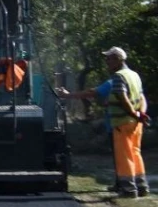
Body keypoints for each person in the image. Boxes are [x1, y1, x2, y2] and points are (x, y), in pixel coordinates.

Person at [57, 46, 149, 198]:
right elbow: (141, 97)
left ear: (118, 60)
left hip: (122, 121)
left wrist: (68, 95)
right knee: (135, 153)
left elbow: (116, 96)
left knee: (124, 156)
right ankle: (141, 185)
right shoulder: (134, 75)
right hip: (135, 123)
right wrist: (141, 114)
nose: (106, 61)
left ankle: (128, 188)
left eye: (109, 58)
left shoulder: (118, 77)